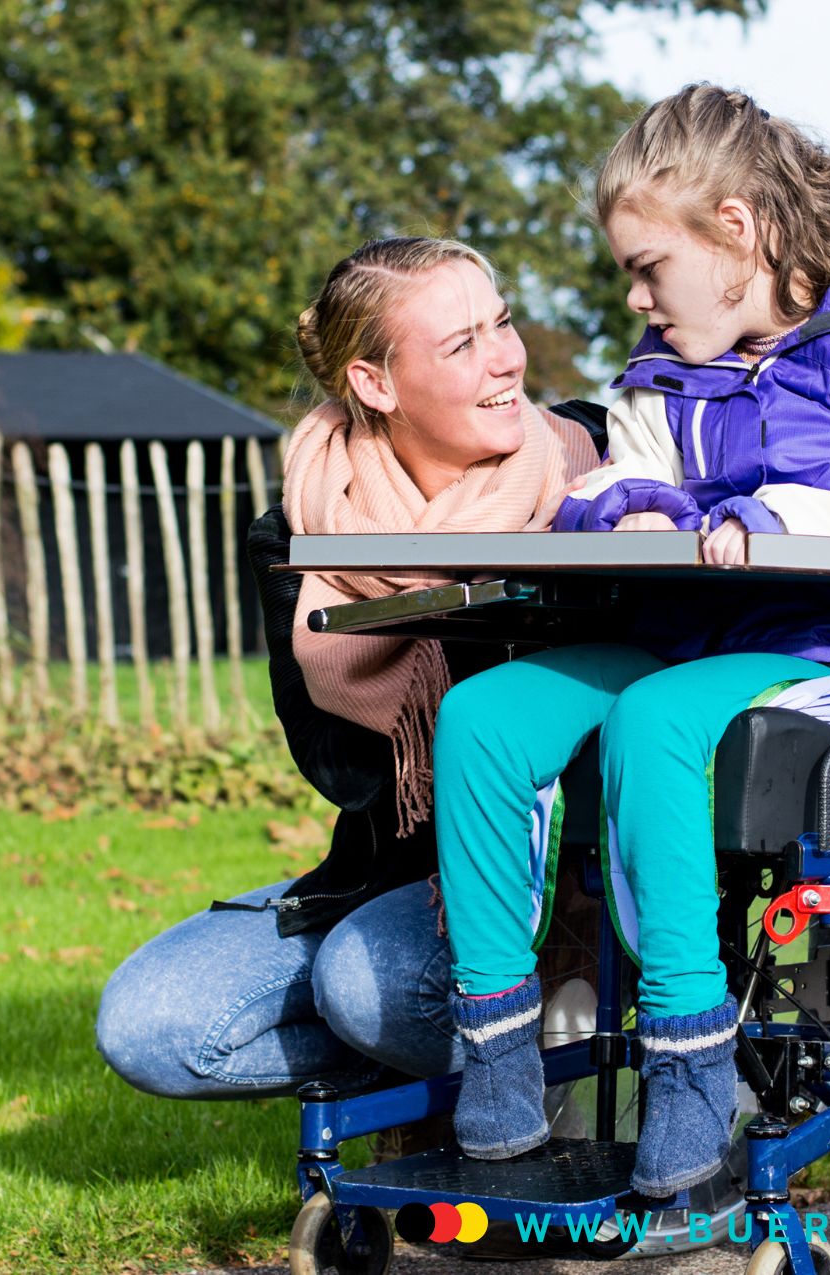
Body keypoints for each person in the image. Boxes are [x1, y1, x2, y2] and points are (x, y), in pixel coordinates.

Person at [434, 84, 830, 1198]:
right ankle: (500, 1058)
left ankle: (692, 1069)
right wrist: (626, 507)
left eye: (648, 267)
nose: (636, 295)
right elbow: (626, 469)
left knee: (660, 721)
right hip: (680, 636)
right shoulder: (670, 357)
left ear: (737, 232)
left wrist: (783, 517)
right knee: (483, 719)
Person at [95, 237, 600, 1105]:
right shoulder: (303, 531)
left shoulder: (590, 472)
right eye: (461, 343)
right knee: (153, 1025)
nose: (506, 359)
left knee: (365, 985)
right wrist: (424, 596)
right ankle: (470, 1070)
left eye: (502, 323)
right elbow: (344, 766)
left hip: (577, 876)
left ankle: (587, 1056)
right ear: (375, 384)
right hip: (400, 870)